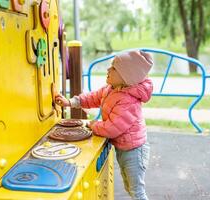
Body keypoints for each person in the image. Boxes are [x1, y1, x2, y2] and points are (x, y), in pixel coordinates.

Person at [56, 50, 153, 200]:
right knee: (130, 187)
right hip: (125, 148)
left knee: (136, 191)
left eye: (114, 68)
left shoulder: (129, 101)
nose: (108, 70)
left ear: (126, 77)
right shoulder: (111, 89)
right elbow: (92, 97)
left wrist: (94, 125)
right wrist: (71, 102)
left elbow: (112, 128)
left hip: (134, 151)